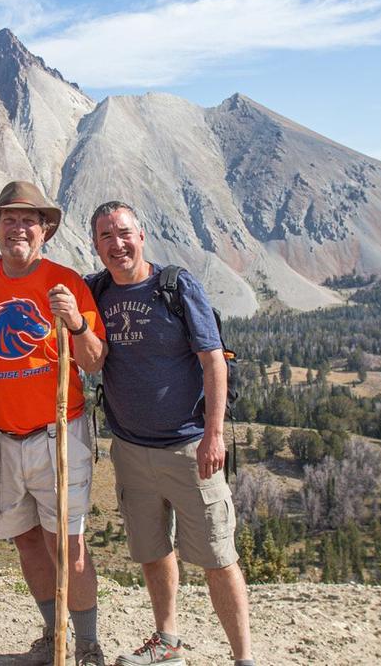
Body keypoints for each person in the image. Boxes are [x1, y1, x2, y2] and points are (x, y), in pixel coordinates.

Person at [90, 201, 253, 666]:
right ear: (96, 246)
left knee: (218, 557)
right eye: (106, 236)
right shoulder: (97, 290)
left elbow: (213, 360)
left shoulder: (176, 287)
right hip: (130, 449)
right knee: (152, 549)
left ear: (141, 235)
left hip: (188, 448)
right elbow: (45, 287)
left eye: (123, 233)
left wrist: (214, 434)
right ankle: (168, 643)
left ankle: (243, 659)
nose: (117, 244)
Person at [0, 180, 108, 666]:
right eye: (8, 219)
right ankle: (54, 632)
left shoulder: (66, 282)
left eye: (29, 219)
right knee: (26, 540)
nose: (18, 227)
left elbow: (93, 361)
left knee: (67, 542)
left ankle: (85, 645)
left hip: (56, 434)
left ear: (45, 229)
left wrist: (78, 324)